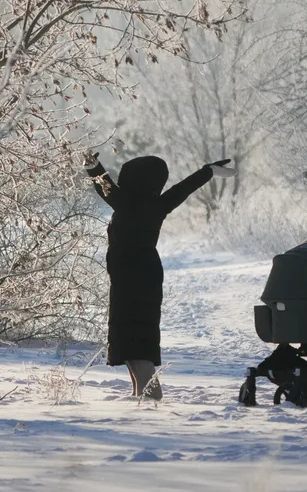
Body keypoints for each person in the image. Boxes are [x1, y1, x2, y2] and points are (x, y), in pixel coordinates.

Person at [82, 151, 236, 400]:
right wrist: (208, 170)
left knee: (130, 335)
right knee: (139, 333)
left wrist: (91, 164)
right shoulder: (158, 204)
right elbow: (183, 188)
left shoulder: (126, 202)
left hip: (128, 277)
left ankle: (149, 396)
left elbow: (104, 184)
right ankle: (141, 394)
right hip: (147, 273)